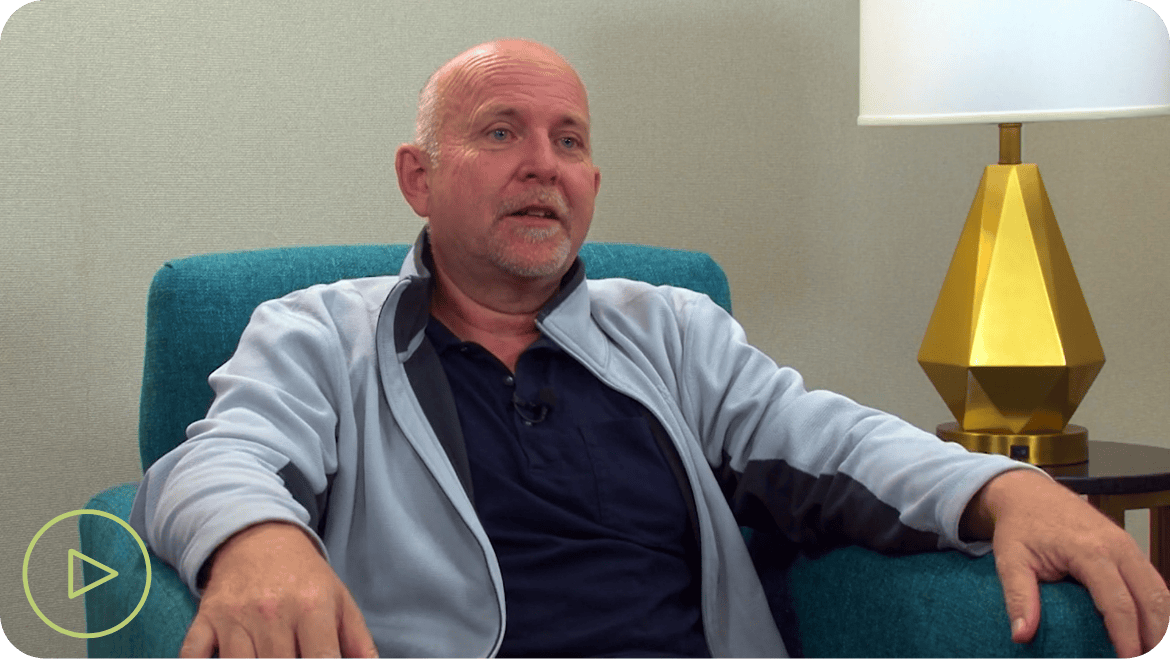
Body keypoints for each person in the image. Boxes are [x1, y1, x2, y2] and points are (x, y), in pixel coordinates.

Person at [129, 39, 1169, 659]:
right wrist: (256, 540)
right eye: (500, 131)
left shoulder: (669, 326)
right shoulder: (320, 329)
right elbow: (218, 457)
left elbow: (829, 441)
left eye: (569, 140)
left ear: (591, 182)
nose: (543, 165)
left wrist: (1005, 488)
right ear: (419, 176)